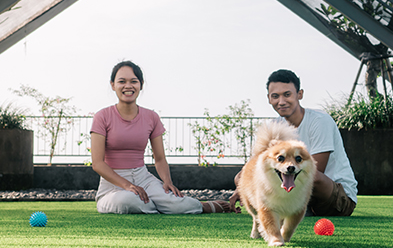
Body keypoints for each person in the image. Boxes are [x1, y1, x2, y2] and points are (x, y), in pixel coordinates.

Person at [91, 61, 232, 215]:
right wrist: (127, 185)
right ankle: (157, 205)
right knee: (128, 201)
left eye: (134, 81)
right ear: (113, 85)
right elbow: (98, 163)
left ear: (141, 84)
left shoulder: (151, 117)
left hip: (143, 178)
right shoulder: (102, 116)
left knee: (175, 203)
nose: (128, 86)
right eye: (122, 81)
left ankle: (203, 206)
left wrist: (167, 182)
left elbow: (159, 158)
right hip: (113, 185)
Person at [230, 69, 357, 216]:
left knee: (310, 174)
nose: (281, 101)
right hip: (297, 192)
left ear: (300, 94)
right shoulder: (274, 125)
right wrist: (241, 188)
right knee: (241, 176)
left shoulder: (320, 121)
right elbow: (256, 165)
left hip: (335, 197)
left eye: (287, 94)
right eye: (275, 96)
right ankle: (288, 209)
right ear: (269, 98)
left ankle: (288, 209)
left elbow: (315, 171)